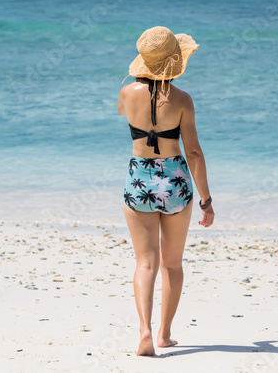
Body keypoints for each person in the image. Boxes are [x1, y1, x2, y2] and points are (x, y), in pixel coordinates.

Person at [117, 26, 214, 356]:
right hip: (174, 182)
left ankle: (143, 329)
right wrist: (206, 200)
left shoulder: (127, 94)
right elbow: (195, 153)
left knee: (145, 264)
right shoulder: (183, 100)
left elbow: (121, 111)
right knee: (172, 265)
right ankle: (164, 334)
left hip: (140, 180)